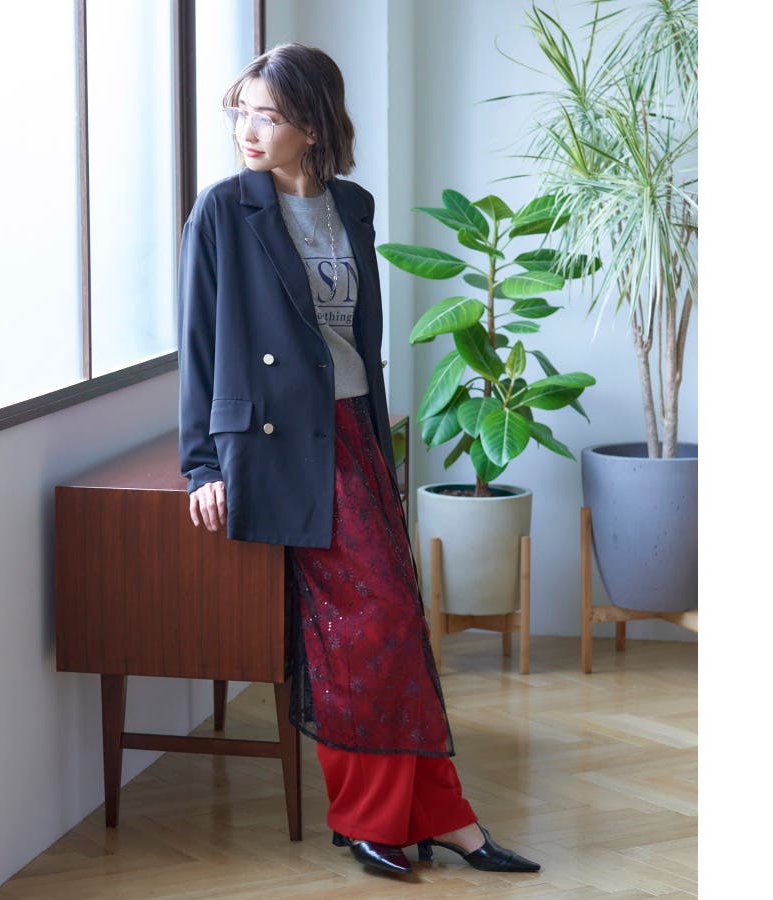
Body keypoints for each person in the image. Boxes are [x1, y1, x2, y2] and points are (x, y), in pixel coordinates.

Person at [177, 41, 540, 878]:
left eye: (267, 115)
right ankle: (374, 818)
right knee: (362, 626)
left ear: (312, 125)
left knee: (396, 623)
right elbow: (198, 346)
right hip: (280, 446)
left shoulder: (354, 205)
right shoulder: (223, 211)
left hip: (357, 434)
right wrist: (202, 466)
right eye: (241, 112)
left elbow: (356, 338)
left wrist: (378, 438)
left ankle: (443, 818)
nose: (247, 130)